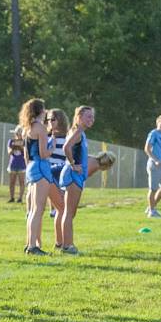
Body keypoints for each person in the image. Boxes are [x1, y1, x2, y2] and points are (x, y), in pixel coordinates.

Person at [59, 106, 95, 254]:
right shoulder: (78, 132)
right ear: (79, 117)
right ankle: (67, 246)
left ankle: (66, 243)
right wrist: (73, 164)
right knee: (68, 212)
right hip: (73, 175)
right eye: (88, 116)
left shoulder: (81, 133)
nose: (91, 119)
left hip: (77, 176)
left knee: (71, 212)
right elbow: (66, 148)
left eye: (92, 117)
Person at [21, 98, 53, 255]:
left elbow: (26, 155)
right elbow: (43, 153)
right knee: (38, 209)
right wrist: (52, 147)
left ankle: (29, 243)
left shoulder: (26, 128)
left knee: (33, 209)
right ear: (41, 110)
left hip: (31, 167)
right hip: (41, 166)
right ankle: (33, 246)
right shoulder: (40, 127)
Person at [46, 108, 69, 249]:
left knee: (62, 210)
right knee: (61, 209)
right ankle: (59, 243)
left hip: (62, 176)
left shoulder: (68, 138)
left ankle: (60, 242)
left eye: (52, 119)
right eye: (47, 120)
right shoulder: (47, 138)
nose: (49, 122)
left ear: (60, 120)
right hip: (49, 176)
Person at [144, 115, 161, 218]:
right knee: (153, 189)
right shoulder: (153, 133)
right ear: (157, 123)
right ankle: (152, 211)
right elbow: (147, 149)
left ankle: (151, 206)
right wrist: (155, 160)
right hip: (154, 164)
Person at [7, 125, 26, 203]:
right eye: (17, 133)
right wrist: (14, 147)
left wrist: (21, 147)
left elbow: (26, 153)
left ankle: (20, 198)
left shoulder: (24, 142)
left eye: (19, 133)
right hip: (13, 164)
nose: (18, 135)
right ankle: (12, 197)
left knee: (21, 182)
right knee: (12, 182)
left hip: (22, 164)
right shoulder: (11, 141)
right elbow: (9, 152)